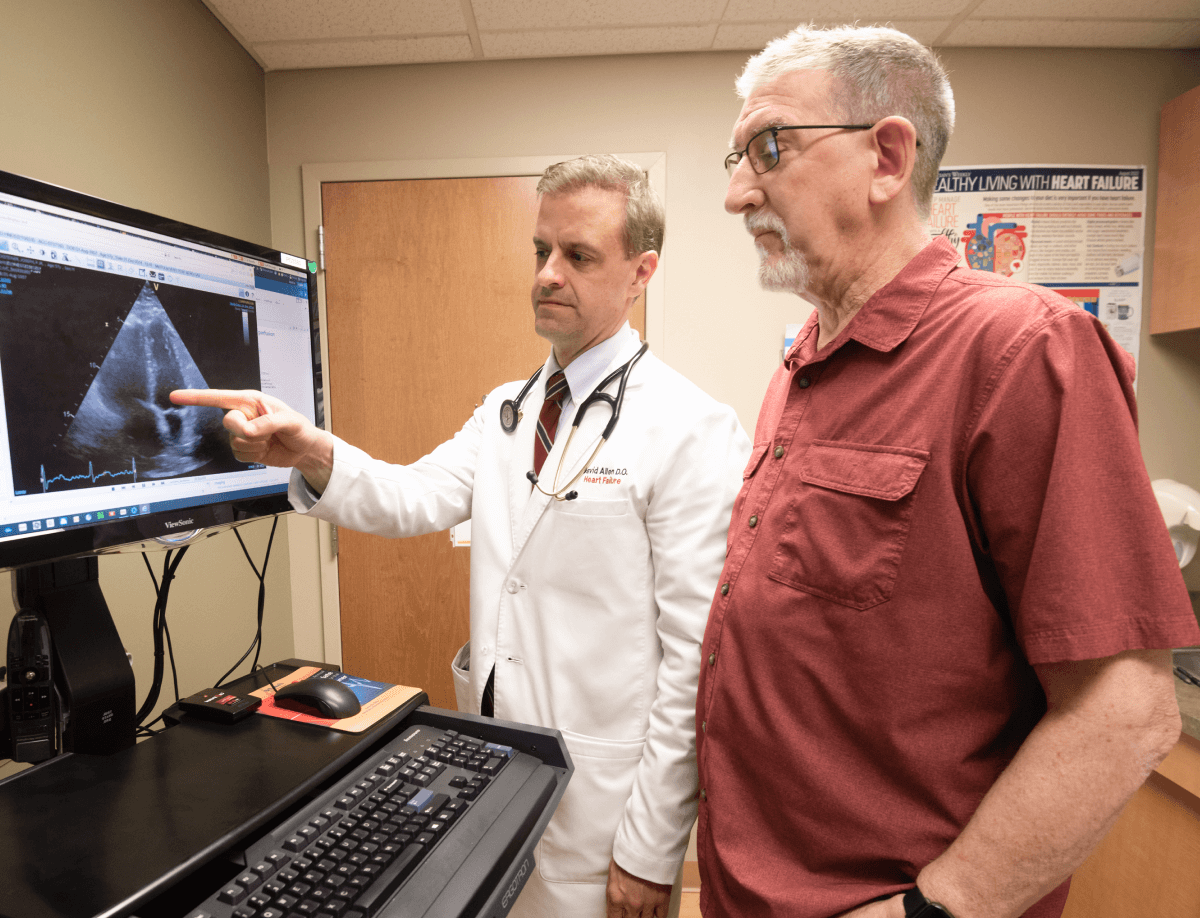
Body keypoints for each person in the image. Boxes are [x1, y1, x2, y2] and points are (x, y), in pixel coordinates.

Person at [699, 24, 1200, 918]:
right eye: (737, 159)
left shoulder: (1024, 349)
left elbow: (1125, 707)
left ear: (887, 157)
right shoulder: (805, 358)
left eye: (769, 148)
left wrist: (936, 909)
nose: (737, 193)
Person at [173, 154, 752, 918]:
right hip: (494, 773)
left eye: (579, 256)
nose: (548, 274)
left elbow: (695, 664)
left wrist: (650, 852)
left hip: (603, 808)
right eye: (541, 250)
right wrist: (311, 450)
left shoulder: (691, 428)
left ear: (641, 272)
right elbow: (412, 497)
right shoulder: (508, 410)